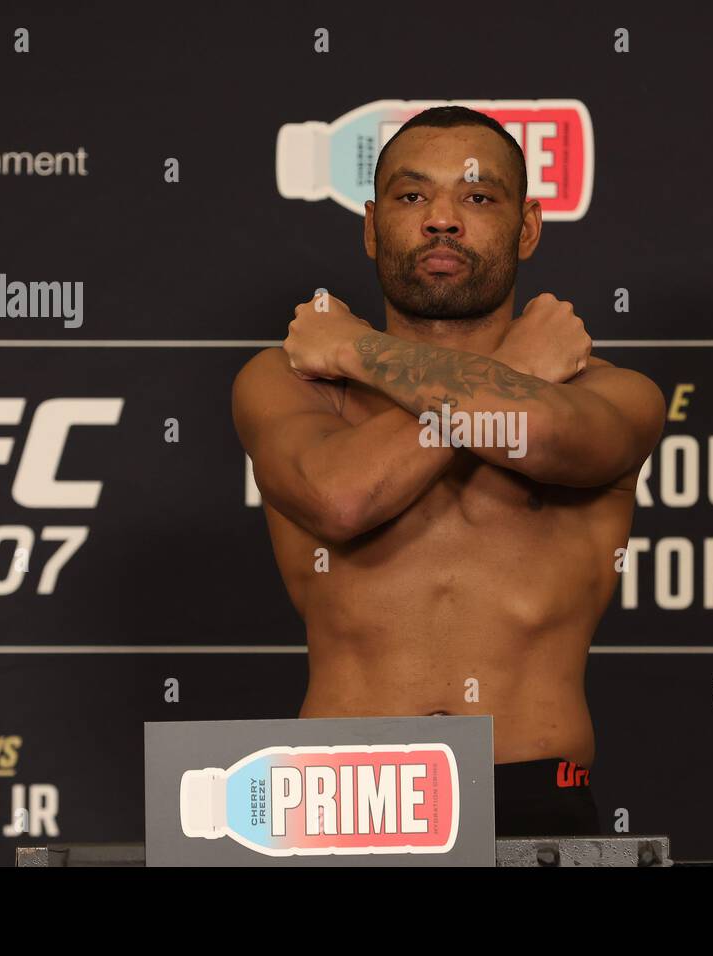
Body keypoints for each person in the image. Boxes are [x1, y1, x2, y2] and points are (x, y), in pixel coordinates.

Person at [232, 106, 665, 836]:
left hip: (533, 795)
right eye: (411, 197)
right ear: (371, 226)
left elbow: (536, 431)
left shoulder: (612, 393)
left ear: (527, 226)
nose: (442, 220)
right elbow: (342, 498)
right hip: (343, 797)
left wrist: (353, 348)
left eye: (477, 197)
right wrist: (514, 367)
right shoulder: (293, 383)